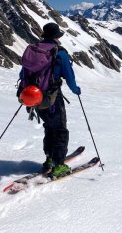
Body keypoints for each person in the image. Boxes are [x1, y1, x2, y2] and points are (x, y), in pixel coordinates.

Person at [28, 22, 81, 177]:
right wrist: (76, 90)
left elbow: (23, 73)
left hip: (34, 97)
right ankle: (58, 165)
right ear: (57, 36)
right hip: (52, 98)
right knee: (60, 130)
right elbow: (70, 77)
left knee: (49, 127)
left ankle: (49, 159)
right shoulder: (60, 53)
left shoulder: (34, 50)